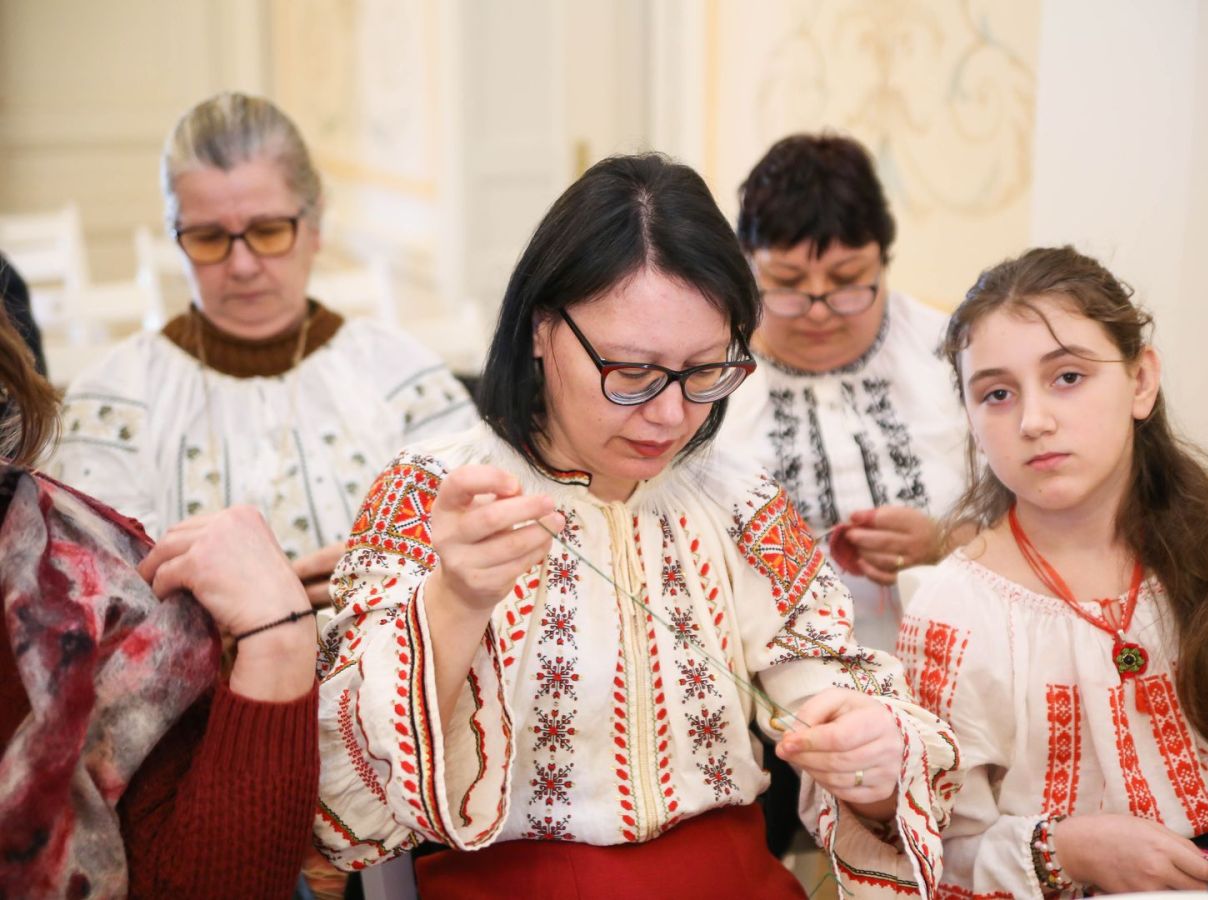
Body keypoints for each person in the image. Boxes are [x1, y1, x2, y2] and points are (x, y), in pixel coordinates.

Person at [314, 154, 960, 898]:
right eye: (631, 372)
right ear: (540, 329)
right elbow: (343, 800)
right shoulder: (432, 495)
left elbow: (830, 687)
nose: (669, 415)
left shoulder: (740, 503)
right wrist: (455, 601)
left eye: (705, 371)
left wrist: (870, 755)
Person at [897, 246, 1208, 896]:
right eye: (996, 394)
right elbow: (939, 849)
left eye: (1068, 377)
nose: (1034, 421)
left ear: (1140, 382)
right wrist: (1065, 852)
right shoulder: (956, 615)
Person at [52, 92, 477, 604]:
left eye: (269, 231)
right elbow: (104, 597)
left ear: (315, 225)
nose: (243, 265)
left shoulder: (403, 379)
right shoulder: (114, 399)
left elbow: (471, 551)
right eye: (208, 238)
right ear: (175, 236)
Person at [0, 303, 320, 899]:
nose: (243, 265)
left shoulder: (95, 577)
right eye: (210, 248)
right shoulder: (119, 384)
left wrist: (277, 635)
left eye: (270, 244)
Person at [721, 133, 966, 651]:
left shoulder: (952, 355)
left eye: (847, 279)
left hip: (946, 666)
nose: (818, 310)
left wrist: (947, 543)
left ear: (883, 262)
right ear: (746, 267)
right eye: (787, 282)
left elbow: (1045, 515)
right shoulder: (707, 376)